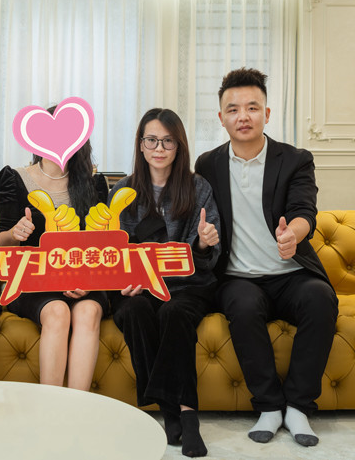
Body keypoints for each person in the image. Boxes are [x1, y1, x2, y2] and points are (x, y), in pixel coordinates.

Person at [194, 67, 338, 447]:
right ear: (221, 117)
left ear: (267, 114)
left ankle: (299, 407)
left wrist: (293, 235)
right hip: (238, 277)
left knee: (320, 298)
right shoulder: (207, 165)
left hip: (290, 273)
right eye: (233, 109)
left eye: (252, 107)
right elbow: (201, 217)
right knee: (242, 307)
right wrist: (204, 238)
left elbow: (305, 211)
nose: (243, 116)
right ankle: (270, 406)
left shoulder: (295, 160)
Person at [109, 108, 220, 458]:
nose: (159, 148)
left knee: (174, 313)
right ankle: (171, 410)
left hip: (187, 285)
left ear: (179, 145)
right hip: (138, 287)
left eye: (168, 141)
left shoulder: (198, 187)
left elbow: (206, 258)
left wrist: (204, 243)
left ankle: (185, 416)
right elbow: (113, 250)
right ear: (141, 145)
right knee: (134, 312)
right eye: (152, 140)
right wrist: (131, 279)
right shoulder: (122, 191)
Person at [0, 125, 109, 391]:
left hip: (85, 280)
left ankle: (79, 406)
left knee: (88, 311)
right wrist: (15, 232)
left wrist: (88, 280)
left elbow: (103, 247)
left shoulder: (94, 183)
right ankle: (51, 405)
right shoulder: (14, 178)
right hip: (33, 281)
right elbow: (1, 240)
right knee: (57, 311)